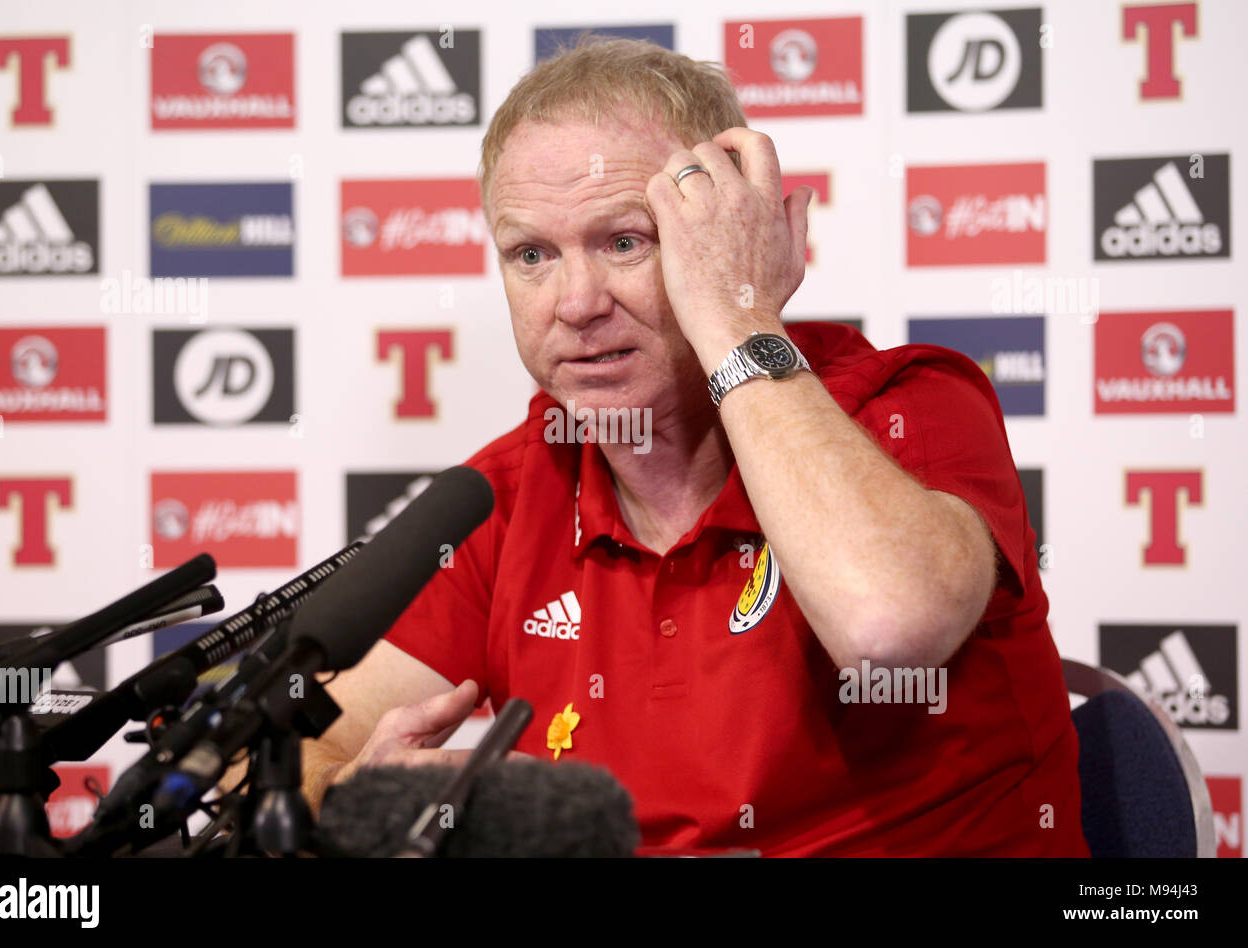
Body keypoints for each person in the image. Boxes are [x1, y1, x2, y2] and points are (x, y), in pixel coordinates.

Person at [302, 38, 1090, 857]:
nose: (575, 303)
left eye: (624, 242)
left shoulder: (905, 408)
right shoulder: (509, 493)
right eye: (531, 254)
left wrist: (740, 314)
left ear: (733, 230)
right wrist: (345, 796)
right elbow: (278, 754)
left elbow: (886, 627)